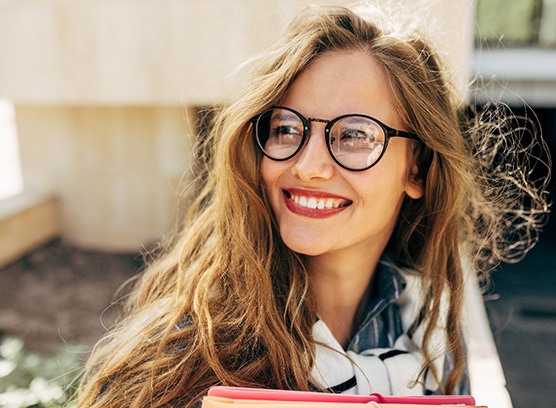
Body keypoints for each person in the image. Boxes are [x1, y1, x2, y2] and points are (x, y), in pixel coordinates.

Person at [76, 4, 550, 407]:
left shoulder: (428, 329)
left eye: (355, 135)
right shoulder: (187, 353)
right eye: (286, 127)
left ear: (417, 171)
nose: (308, 166)